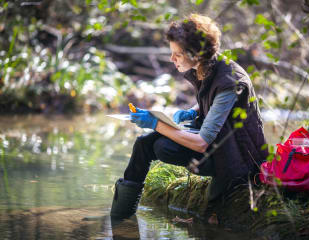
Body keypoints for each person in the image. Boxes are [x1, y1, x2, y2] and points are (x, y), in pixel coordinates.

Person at [110, 14, 268, 221]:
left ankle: (121, 221)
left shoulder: (231, 82)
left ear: (196, 54)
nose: (171, 59)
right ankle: (120, 217)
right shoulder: (208, 65)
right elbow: (212, 100)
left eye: (177, 54)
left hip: (236, 157)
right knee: (144, 144)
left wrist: (155, 123)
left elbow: (201, 142)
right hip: (221, 140)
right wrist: (193, 111)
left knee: (163, 147)